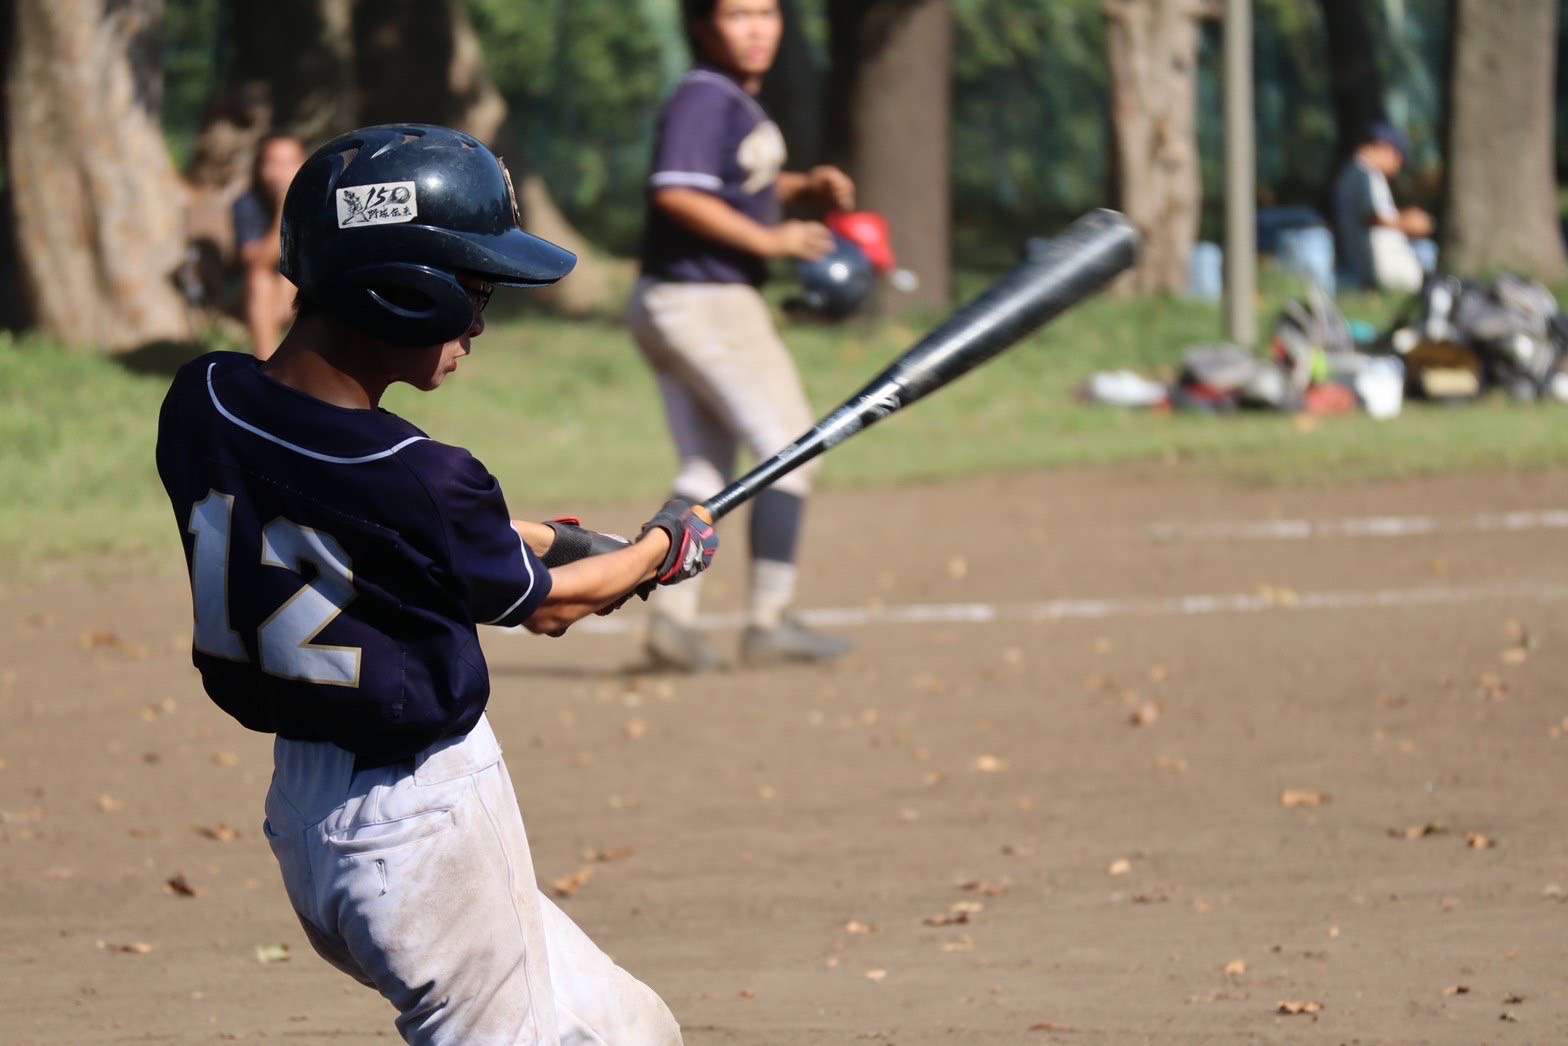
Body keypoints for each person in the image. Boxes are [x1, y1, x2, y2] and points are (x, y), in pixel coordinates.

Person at [156, 124, 715, 1044]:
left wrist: (551, 534)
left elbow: (365, 516)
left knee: (627, 1029)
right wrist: (667, 544)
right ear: (401, 290)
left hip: (309, 815)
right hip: (421, 830)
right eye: (473, 292)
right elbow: (557, 604)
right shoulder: (425, 473)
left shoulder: (205, 399)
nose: (481, 324)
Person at [627, 0, 856, 672]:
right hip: (706, 299)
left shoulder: (729, 99)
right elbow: (675, 189)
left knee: (705, 470)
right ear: (703, 27)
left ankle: (672, 621)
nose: (757, 27)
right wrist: (769, 238)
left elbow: (728, 180)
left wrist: (798, 187)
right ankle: (769, 619)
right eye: (738, 13)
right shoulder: (705, 94)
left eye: (768, 12)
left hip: (675, 298)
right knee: (793, 450)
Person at [1332, 121, 1434, 294]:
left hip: (1374, 267)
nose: (1398, 168)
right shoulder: (1364, 173)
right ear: (1384, 147)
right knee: (1427, 251)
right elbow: (1373, 216)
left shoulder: (1356, 171)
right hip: (1381, 270)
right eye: (1399, 159)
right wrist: (1407, 222)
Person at [233, 132, 306, 359]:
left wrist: (287, 286)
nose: (281, 172)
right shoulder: (247, 203)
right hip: (255, 290)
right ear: (260, 167)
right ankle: (268, 364)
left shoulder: (319, 199)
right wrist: (283, 209)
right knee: (259, 280)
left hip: (303, 282)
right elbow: (256, 262)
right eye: (273, 163)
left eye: (288, 163)